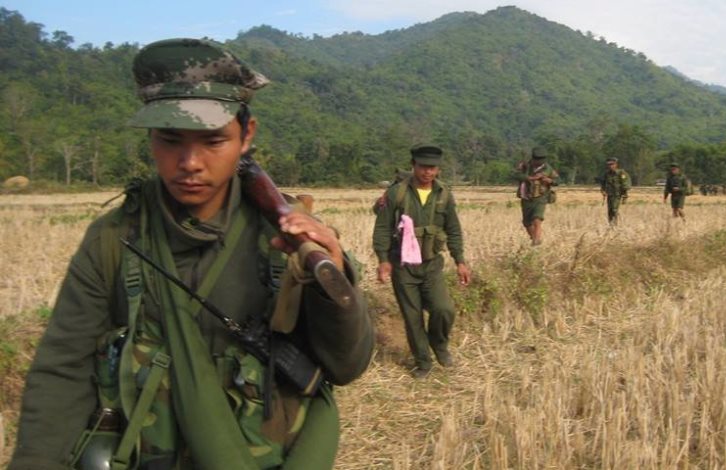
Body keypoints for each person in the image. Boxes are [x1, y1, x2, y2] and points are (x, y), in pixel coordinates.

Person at [10, 38, 373, 470]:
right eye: (170, 140)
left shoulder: (288, 239)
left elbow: (346, 366)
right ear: (150, 138)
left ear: (246, 136)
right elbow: (62, 370)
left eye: (212, 141)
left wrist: (333, 284)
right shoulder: (113, 239)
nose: (190, 162)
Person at [372, 144, 471, 379]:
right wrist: (383, 260)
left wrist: (460, 261)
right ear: (413, 166)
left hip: (431, 265)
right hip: (403, 266)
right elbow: (383, 229)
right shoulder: (397, 193)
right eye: (423, 167)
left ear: (438, 169)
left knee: (443, 309)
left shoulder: (444, 195)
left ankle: (439, 345)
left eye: (432, 168)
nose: (428, 172)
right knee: (412, 317)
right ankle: (423, 362)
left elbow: (454, 230)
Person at [514, 147, 559, 245]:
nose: (538, 162)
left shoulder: (548, 168)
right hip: (526, 197)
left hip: (540, 197)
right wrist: (530, 178)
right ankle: (534, 239)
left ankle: (536, 240)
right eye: (537, 160)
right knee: (527, 223)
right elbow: (516, 175)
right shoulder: (524, 166)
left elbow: (557, 181)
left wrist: (549, 180)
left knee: (537, 218)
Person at [599, 157, 631, 225]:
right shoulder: (607, 174)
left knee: (614, 209)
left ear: (616, 164)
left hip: (618, 194)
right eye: (609, 165)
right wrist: (603, 190)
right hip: (610, 194)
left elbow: (625, 183)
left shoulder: (621, 173)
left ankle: (615, 224)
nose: (610, 166)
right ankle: (611, 224)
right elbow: (603, 183)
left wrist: (625, 193)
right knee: (610, 210)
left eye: (612, 164)